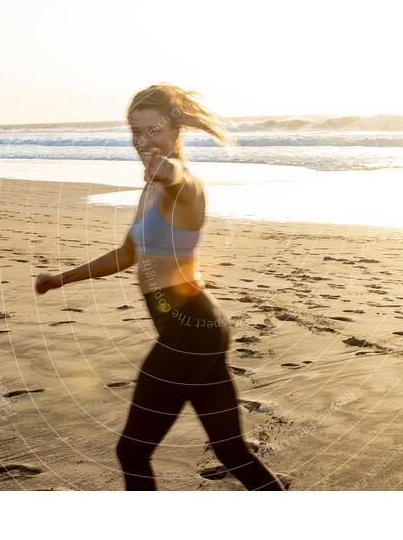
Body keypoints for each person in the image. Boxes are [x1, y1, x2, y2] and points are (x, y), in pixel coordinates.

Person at [34, 84, 286, 491]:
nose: (142, 141)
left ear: (175, 132)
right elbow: (125, 255)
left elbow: (179, 179)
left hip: (188, 330)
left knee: (132, 452)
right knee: (231, 451)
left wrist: (166, 170)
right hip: (202, 329)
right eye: (136, 131)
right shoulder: (149, 190)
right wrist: (59, 280)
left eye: (153, 131)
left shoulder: (184, 185)